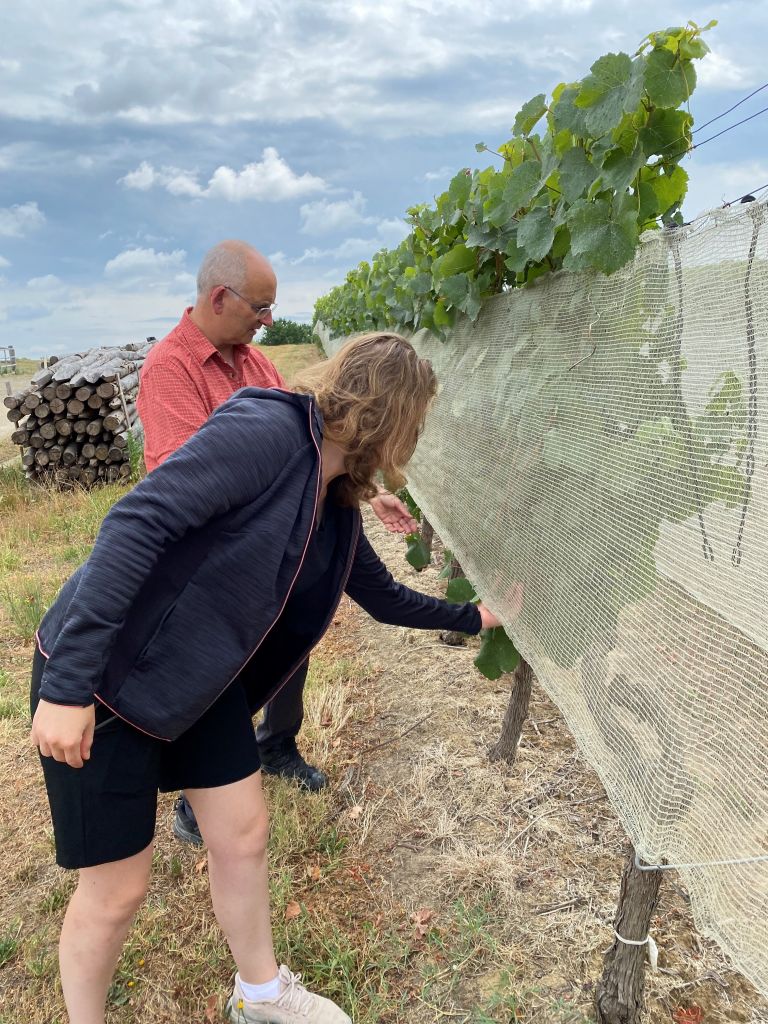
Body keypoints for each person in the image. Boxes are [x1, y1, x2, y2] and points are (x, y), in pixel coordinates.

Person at [30, 332, 502, 1024]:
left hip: (201, 680)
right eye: (418, 424)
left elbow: (376, 594)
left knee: (244, 832)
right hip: (111, 675)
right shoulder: (268, 429)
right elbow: (135, 523)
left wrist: (475, 617)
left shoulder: (334, 493)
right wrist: (68, 686)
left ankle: (260, 996)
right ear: (394, 416)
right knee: (118, 890)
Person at [137, 241, 417, 851]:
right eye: (260, 308)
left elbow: (318, 438)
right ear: (218, 297)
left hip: (277, 540)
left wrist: (368, 495)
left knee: (293, 638)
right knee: (219, 669)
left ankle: (277, 745)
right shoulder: (170, 369)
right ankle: (196, 793)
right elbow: (183, 479)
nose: (268, 321)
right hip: (215, 562)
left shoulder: (255, 366)